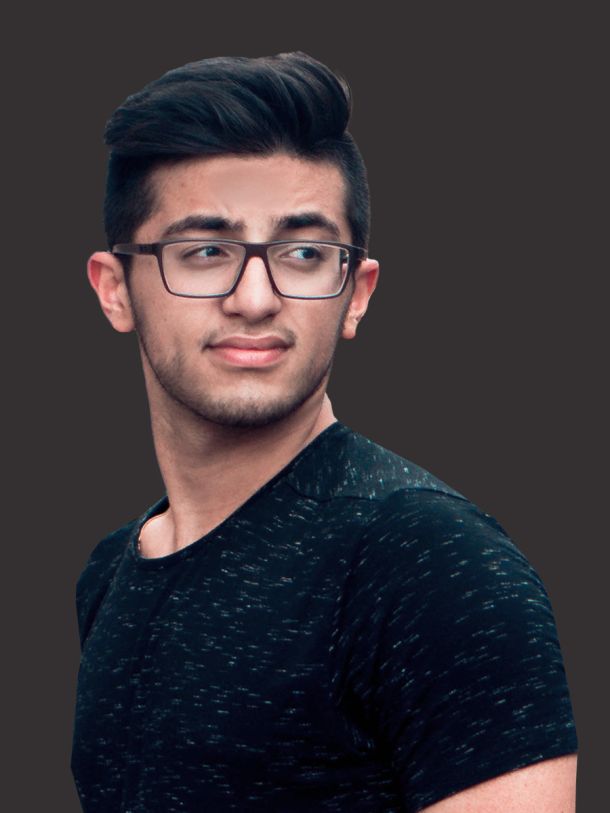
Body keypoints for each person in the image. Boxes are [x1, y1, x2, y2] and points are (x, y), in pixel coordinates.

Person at [72, 52, 577, 812]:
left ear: (356, 293)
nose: (254, 298)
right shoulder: (112, 572)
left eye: (304, 253)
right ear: (115, 290)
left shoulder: (431, 565)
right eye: (205, 251)